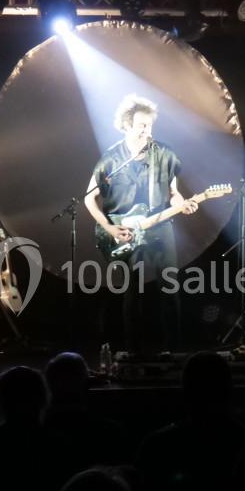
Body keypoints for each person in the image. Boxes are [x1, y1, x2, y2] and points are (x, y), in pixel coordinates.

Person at [84, 94, 197, 355]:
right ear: (126, 125)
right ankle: (133, 351)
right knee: (132, 291)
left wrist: (182, 203)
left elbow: (173, 192)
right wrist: (110, 228)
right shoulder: (112, 158)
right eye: (141, 125)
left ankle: (174, 350)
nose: (147, 131)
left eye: (149, 125)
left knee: (170, 287)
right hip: (126, 231)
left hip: (159, 226)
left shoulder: (164, 153)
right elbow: (90, 198)